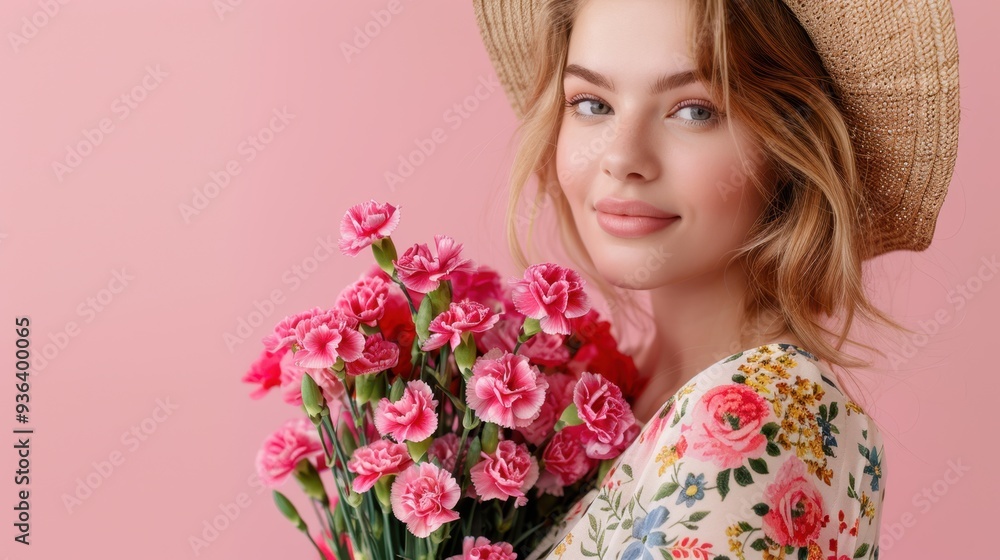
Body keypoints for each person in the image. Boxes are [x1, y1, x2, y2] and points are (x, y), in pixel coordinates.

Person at [472, 0, 960, 558]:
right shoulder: (604, 388)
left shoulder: (764, 412)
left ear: (791, 142)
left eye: (694, 111)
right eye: (592, 103)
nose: (622, 157)